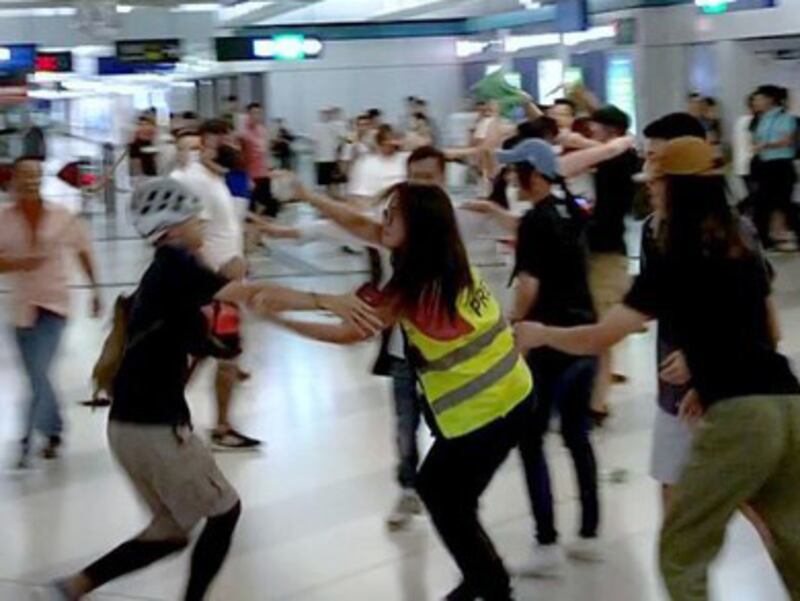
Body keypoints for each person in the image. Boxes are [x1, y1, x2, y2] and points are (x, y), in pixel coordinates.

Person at [36, 177, 377, 601]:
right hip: (156, 429)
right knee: (224, 511)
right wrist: (326, 301)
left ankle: (73, 587)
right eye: (197, 220)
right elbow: (254, 296)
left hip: (129, 428)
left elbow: (209, 339)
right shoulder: (176, 264)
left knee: (170, 532)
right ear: (174, 228)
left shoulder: (163, 278)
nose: (203, 227)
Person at [515, 136, 800, 601]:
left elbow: (599, 337)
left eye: (656, 182)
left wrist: (541, 334)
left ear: (673, 188)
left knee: (681, 551)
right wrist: (711, 375)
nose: (650, 191)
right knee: (793, 537)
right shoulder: (740, 243)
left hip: (741, 418)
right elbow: (767, 329)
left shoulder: (673, 256)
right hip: (788, 402)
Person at [258, 181, 533, 601]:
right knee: (453, 498)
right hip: (513, 394)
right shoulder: (443, 252)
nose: (380, 222)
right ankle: (482, 574)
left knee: (441, 495)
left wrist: (279, 320)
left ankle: (492, 585)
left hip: (485, 412)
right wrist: (311, 196)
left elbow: (350, 331)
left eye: (391, 215)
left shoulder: (417, 282)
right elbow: (358, 223)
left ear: (417, 225)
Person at [495, 139, 601, 576]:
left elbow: (529, 286)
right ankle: (590, 531)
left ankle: (547, 542)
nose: (508, 179)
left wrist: (510, 323)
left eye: (513, 171)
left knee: (531, 438)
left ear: (533, 174)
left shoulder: (536, 221)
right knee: (577, 435)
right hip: (584, 336)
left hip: (548, 341)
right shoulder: (571, 210)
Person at [0, 157, 101, 468]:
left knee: (39, 371)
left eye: (36, 175)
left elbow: (83, 250)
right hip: (20, 308)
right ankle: (54, 429)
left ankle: (26, 440)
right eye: (25, 175)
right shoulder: (3, 219)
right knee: (37, 375)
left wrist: (95, 290)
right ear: (13, 180)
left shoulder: (62, 217)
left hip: (54, 305)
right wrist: (20, 263)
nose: (31, 180)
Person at [171, 119, 261, 450]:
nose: (221, 149)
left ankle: (169, 416)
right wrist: (220, 275)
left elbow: (221, 229)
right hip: (215, 285)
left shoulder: (215, 179)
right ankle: (219, 427)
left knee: (205, 353)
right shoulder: (197, 182)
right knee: (222, 355)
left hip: (224, 282)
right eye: (210, 144)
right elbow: (191, 238)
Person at [586, 105, 640, 422]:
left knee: (600, 330)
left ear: (610, 131)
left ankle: (598, 403)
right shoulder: (613, 158)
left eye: (596, 126)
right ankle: (596, 395)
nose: (591, 131)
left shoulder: (618, 157)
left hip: (608, 253)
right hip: (601, 249)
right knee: (595, 329)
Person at [751, 85, 800, 251]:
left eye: (759, 98)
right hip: (766, 166)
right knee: (763, 204)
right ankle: (765, 240)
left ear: (770, 99)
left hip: (781, 165)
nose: (756, 102)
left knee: (784, 204)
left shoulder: (786, 118)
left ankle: (792, 236)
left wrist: (766, 145)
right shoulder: (762, 118)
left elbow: (787, 140)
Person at [240, 102, 277, 218]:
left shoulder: (262, 130)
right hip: (251, 174)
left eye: (259, 113)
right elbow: (242, 157)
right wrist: (247, 177)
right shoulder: (243, 134)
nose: (257, 116)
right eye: (254, 113)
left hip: (263, 173)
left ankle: (263, 229)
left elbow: (266, 152)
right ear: (248, 114)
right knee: (252, 207)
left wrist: (270, 168)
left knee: (268, 206)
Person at [313, 108, 344, 197]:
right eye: (324, 113)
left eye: (328, 113)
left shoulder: (338, 125)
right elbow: (315, 143)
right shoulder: (317, 127)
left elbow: (346, 140)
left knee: (335, 184)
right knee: (324, 186)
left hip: (333, 159)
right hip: (321, 159)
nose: (326, 116)